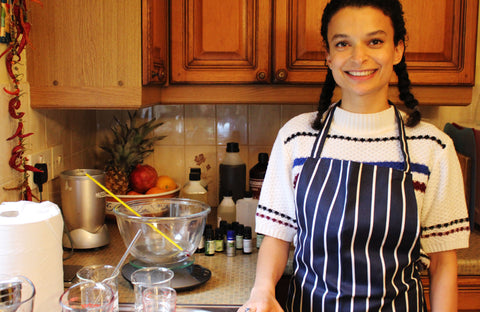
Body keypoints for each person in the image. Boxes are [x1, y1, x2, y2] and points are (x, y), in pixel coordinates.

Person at [240, 0, 470, 311]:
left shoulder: (433, 147)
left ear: (398, 50)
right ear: (328, 56)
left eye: (375, 41)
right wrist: (262, 291)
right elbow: (278, 237)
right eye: (343, 43)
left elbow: (443, 262)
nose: (358, 57)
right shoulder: (297, 137)